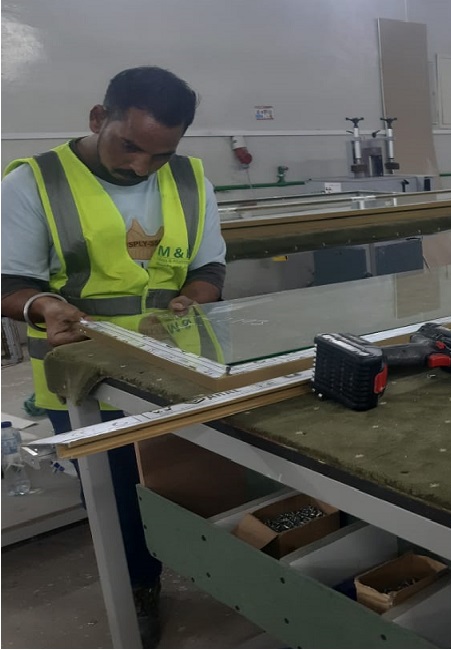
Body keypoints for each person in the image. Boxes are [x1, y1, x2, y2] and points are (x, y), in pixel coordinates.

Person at [1, 66, 227, 648]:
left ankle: (209, 566)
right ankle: (137, 589)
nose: (142, 167)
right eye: (130, 147)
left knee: (184, 481)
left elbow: (208, 267)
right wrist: (45, 306)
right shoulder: (35, 182)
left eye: (161, 154)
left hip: (175, 370)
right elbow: (7, 282)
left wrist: (192, 299)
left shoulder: (190, 179)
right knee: (114, 498)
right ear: (99, 118)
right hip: (82, 378)